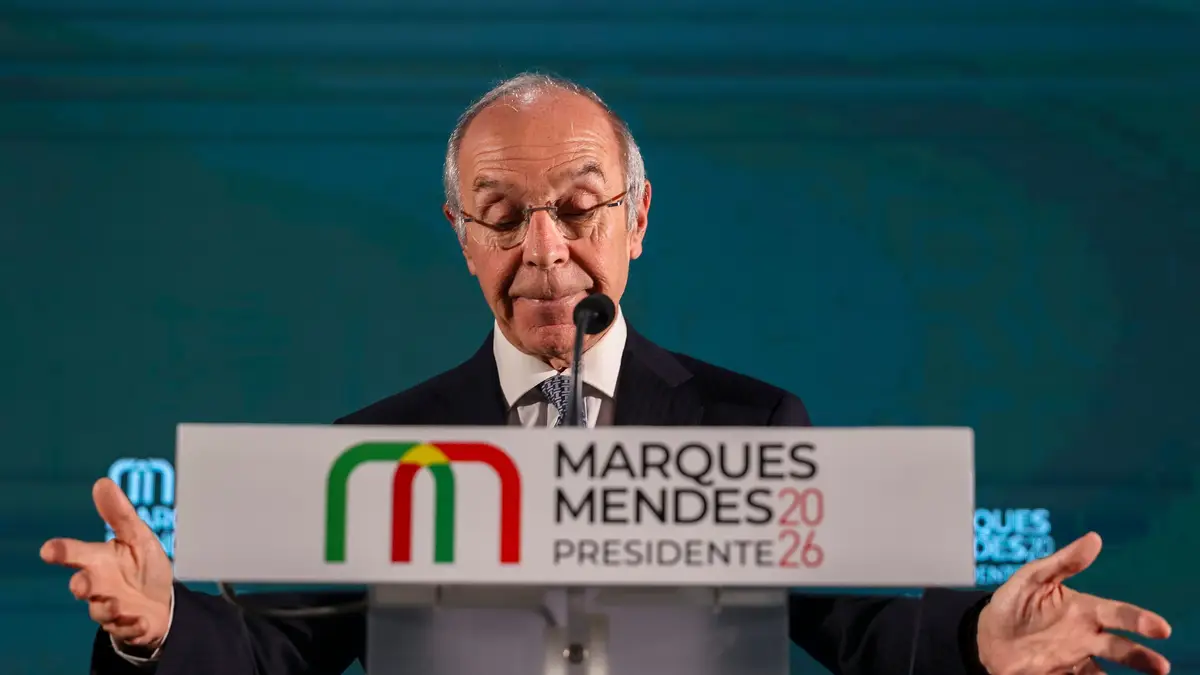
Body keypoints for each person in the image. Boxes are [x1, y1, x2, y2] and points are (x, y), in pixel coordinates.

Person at [41, 73, 1171, 675]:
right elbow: (272, 655)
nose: (545, 251)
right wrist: (158, 627)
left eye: (579, 209)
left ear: (637, 218)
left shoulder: (748, 424)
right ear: (461, 235)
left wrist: (982, 640)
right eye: (501, 216)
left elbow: (866, 630)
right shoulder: (379, 452)